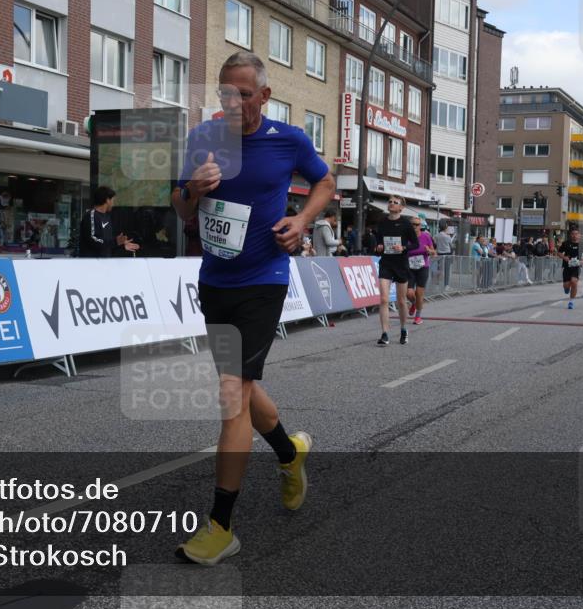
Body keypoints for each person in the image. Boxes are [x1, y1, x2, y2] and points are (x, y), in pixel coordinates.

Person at [171, 51, 334, 565]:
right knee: (242, 384)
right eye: (225, 93)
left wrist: (302, 219)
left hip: (265, 279)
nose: (233, 102)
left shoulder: (289, 140)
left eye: (243, 93)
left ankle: (221, 525)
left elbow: (325, 182)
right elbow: (179, 205)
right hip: (215, 279)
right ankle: (290, 452)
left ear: (264, 95)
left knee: (232, 395)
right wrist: (192, 191)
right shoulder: (203, 138)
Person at [373, 196, 418, 345]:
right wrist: (378, 247)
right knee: (384, 299)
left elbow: (415, 244)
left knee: (401, 301)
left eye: (395, 202)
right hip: (386, 263)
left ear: (401, 208)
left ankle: (404, 329)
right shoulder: (382, 222)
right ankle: (385, 334)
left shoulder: (405, 223)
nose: (391, 204)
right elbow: (378, 242)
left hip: (401, 264)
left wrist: (404, 247)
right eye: (390, 202)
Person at [78, 186, 140, 257]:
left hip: (105, 263)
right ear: (107, 200)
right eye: (113, 200)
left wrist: (121, 245)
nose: (113, 204)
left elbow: (107, 242)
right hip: (92, 264)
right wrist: (115, 242)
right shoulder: (91, 216)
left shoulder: (107, 217)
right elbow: (93, 239)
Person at [405, 217, 435, 325]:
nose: (415, 226)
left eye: (417, 225)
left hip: (423, 267)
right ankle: (414, 303)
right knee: (409, 293)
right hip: (410, 268)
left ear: (420, 226)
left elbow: (434, 252)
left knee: (419, 293)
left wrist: (429, 251)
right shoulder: (406, 237)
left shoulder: (426, 237)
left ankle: (418, 316)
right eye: (413, 224)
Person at [557, 227, 583, 309]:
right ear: (570, 235)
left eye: (576, 234)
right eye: (573, 234)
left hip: (577, 266)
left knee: (574, 282)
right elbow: (559, 252)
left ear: (579, 235)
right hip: (567, 266)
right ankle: (566, 288)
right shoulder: (566, 243)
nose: (574, 236)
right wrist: (564, 257)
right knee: (566, 285)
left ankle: (571, 301)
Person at [433, 223, 454, 290]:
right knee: (447, 270)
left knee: (439, 270)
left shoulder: (436, 236)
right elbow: (451, 246)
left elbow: (435, 244)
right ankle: (446, 285)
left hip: (439, 254)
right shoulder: (447, 236)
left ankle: (437, 285)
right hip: (447, 254)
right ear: (445, 228)